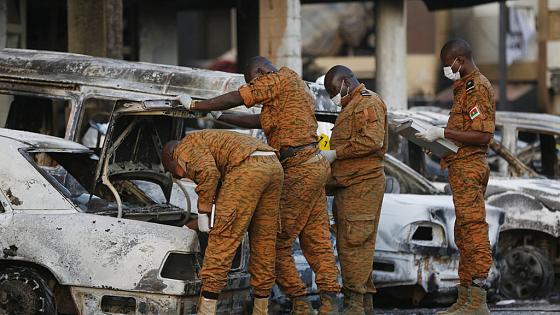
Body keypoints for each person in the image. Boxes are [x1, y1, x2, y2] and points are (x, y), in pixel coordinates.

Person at [179, 56, 341, 315]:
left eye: (254, 81)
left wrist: (198, 105)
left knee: (272, 243)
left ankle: (300, 302)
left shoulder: (279, 79)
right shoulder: (295, 87)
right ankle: (328, 302)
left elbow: (240, 96)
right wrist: (220, 115)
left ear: (262, 72)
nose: (256, 88)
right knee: (317, 238)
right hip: (313, 166)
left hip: (299, 168)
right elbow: (259, 121)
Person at [161, 130, 284, 315]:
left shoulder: (185, 146)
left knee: (222, 240)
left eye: (175, 174)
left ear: (172, 157)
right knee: (264, 240)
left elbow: (208, 173)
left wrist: (202, 211)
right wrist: (191, 224)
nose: (180, 177)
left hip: (247, 167)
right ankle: (261, 309)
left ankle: (206, 311)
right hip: (273, 166)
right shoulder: (212, 146)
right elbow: (223, 203)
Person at [415, 38, 494, 315]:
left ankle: (478, 298)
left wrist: (443, 133)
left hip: (470, 168)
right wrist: (436, 144)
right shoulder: (463, 88)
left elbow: (483, 134)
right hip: (460, 166)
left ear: (459, 60)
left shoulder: (478, 87)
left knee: (473, 229)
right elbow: (464, 133)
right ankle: (466, 297)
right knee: (463, 232)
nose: (447, 70)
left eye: (448, 65)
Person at [322, 66, 387, 315]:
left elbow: (372, 140)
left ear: (346, 82)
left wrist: (336, 153)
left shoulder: (365, 103)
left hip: (361, 183)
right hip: (352, 183)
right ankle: (364, 303)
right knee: (359, 241)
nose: (332, 97)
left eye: (333, 90)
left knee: (354, 242)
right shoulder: (354, 104)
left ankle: (354, 304)